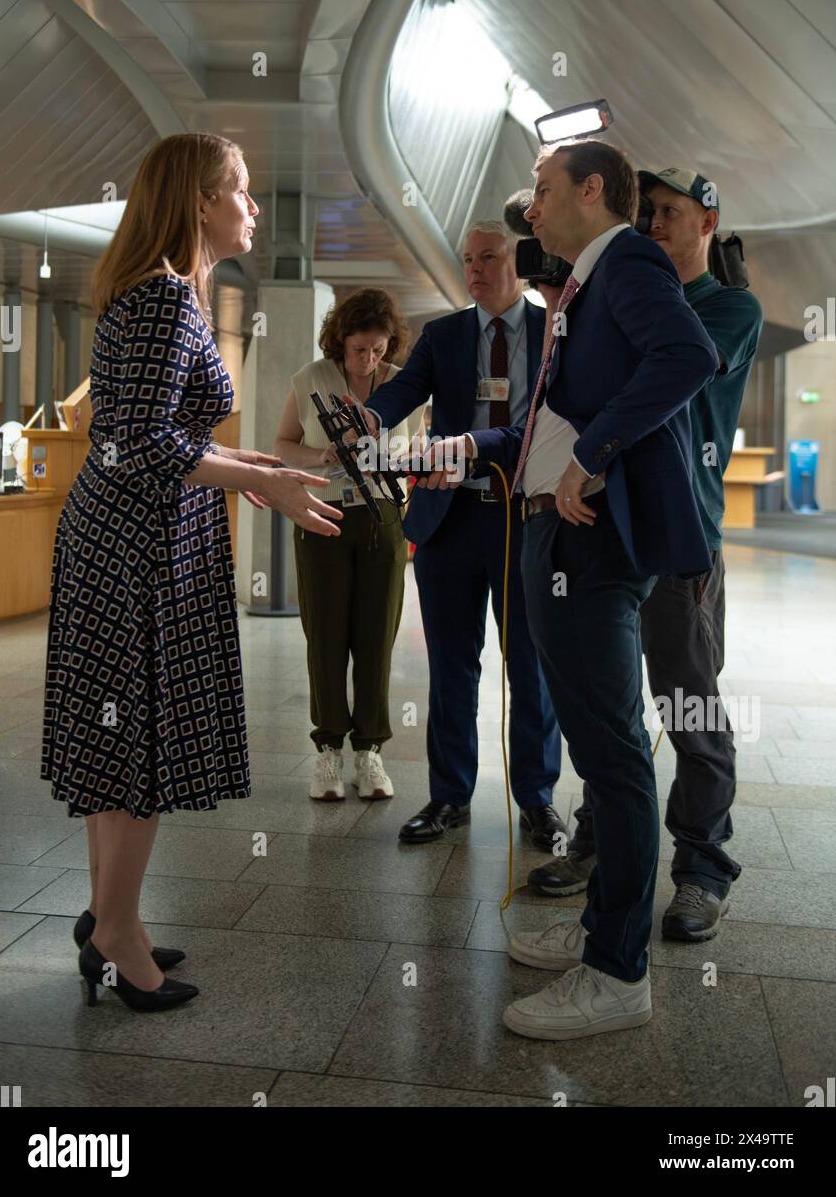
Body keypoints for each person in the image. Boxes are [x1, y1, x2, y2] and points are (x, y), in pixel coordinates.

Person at [422, 140, 718, 1039]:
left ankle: (618, 971)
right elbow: (554, 417)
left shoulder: (625, 258)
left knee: (615, 758)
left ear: (594, 191)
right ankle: (602, 927)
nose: (532, 211)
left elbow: (689, 356)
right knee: (603, 751)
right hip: (555, 529)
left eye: (545, 191)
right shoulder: (581, 285)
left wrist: (592, 459)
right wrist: (474, 446)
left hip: (592, 545)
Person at [41, 132, 341, 1013]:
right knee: (138, 746)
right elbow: (141, 446)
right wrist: (259, 479)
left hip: (125, 538)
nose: (253, 206)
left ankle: (108, 913)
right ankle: (117, 933)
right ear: (201, 203)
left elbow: (158, 434)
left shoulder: (160, 295)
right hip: (135, 551)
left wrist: (253, 469)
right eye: (241, 190)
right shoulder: (168, 301)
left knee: (117, 741)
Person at [531, 168, 763, 944]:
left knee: (688, 705)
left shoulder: (727, 308)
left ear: (708, 219)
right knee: (608, 708)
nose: (656, 223)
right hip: (609, 528)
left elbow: (678, 368)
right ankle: (600, 847)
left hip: (681, 539)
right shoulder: (618, 287)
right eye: (650, 212)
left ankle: (701, 869)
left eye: (670, 212)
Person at [353, 221, 564, 849]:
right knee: (450, 666)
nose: (475, 269)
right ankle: (449, 796)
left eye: (489, 257)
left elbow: (538, 422)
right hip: (447, 521)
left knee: (531, 664)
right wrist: (371, 414)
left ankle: (538, 800)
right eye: (468, 259)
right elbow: (402, 392)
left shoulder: (551, 330)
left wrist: (472, 448)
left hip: (523, 517)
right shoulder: (443, 335)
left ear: (518, 264)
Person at [274, 288, 425, 801]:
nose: (368, 359)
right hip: (322, 512)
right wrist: (322, 458)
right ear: (341, 340)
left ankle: (370, 750)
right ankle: (328, 751)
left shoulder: (404, 386)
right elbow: (282, 444)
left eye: (378, 349)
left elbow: (415, 448)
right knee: (326, 634)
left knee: (376, 636)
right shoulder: (312, 378)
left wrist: (391, 455)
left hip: (383, 514)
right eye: (360, 348)